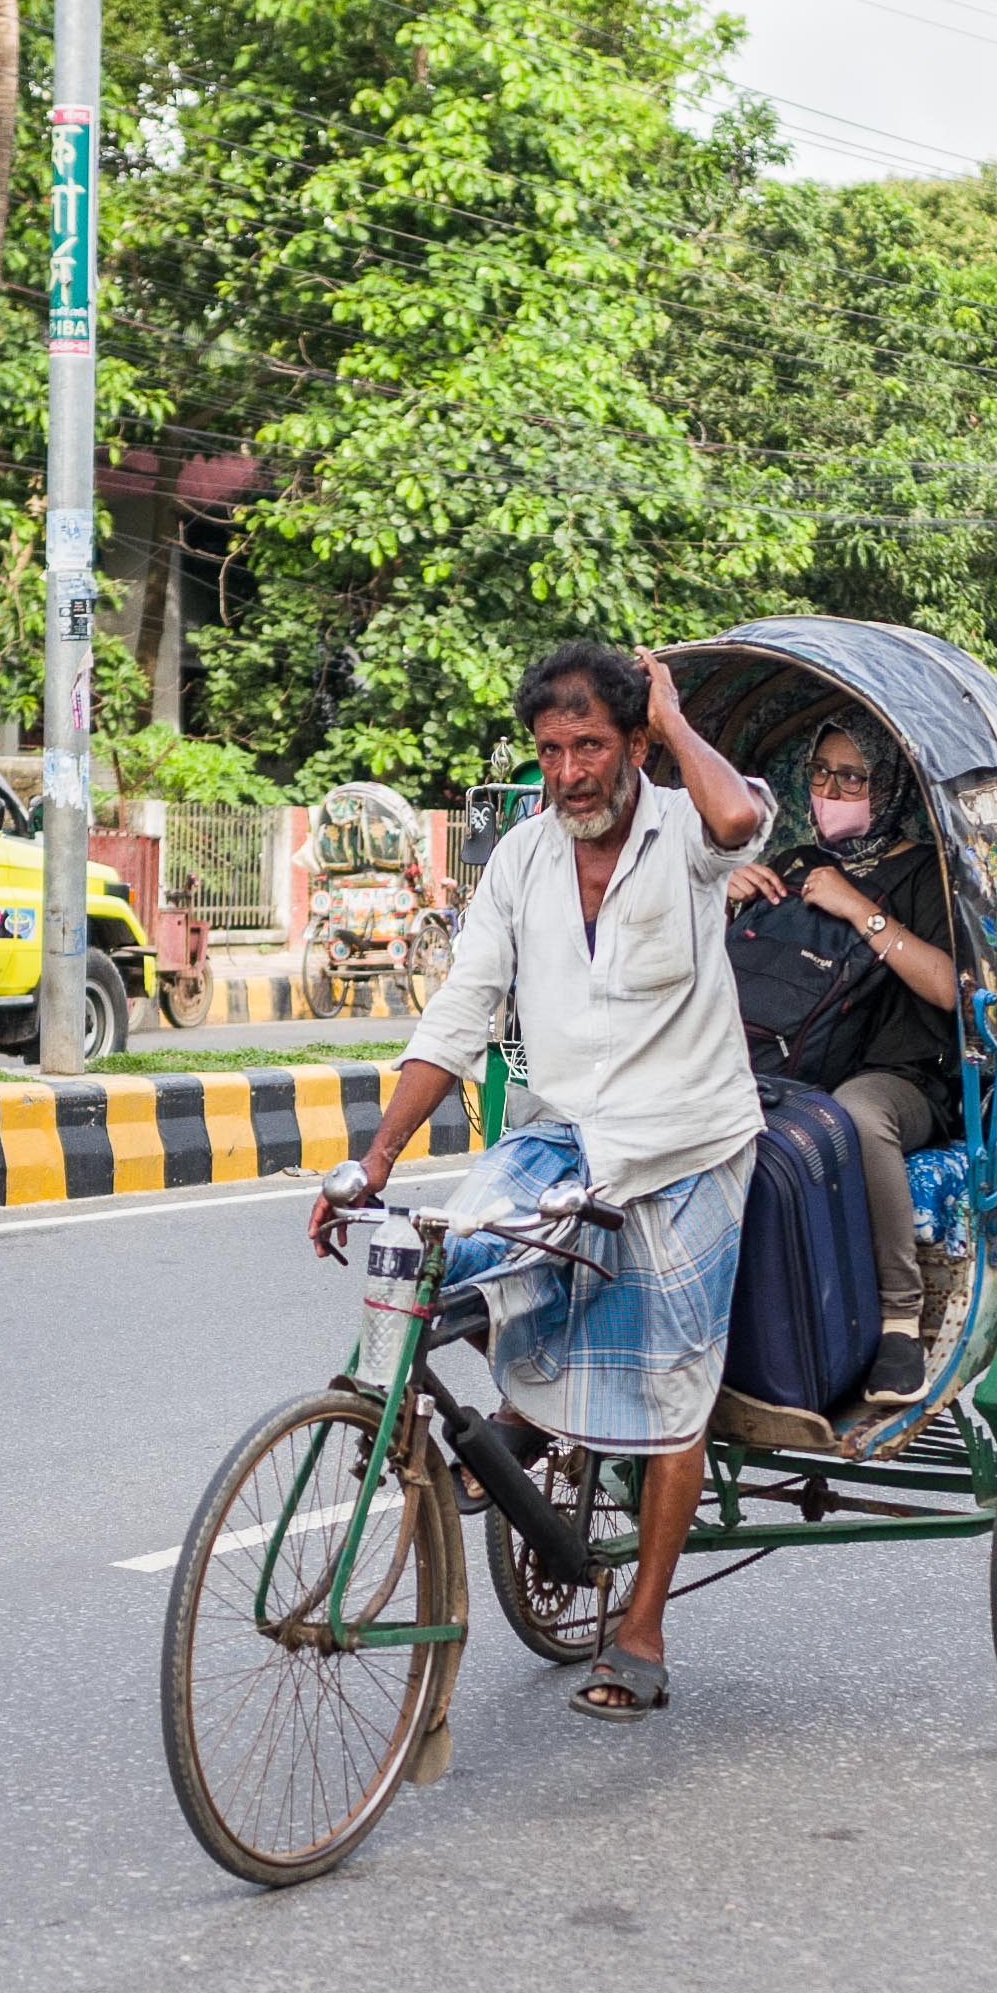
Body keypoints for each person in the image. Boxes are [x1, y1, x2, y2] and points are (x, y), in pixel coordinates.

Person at [312, 641, 771, 1724]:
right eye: (551, 750)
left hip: (690, 1145)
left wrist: (672, 716)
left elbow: (738, 820)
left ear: (634, 744)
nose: (569, 772)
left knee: (673, 1389)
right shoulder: (521, 859)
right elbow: (462, 1011)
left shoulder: (686, 832)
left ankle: (643, 1627)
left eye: (591, 746)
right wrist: (373, 1160)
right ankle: (533, 1408)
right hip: (566, 1132)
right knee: (452, 1252)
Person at [724, 713, 964, 1406]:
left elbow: (948, 988)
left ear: (888, 786)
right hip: (785, 1066)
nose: (830, 790)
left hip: (895, 1076)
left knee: (855, 1116)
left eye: (852, 778)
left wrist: (862, 910)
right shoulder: (795, 862)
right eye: (822, 773)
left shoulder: (925, 873)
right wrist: (721, 897)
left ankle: (899, 1321)